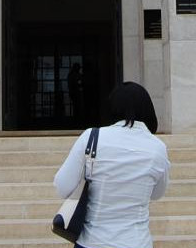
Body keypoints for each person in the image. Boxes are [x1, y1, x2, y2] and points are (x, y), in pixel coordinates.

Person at [54, 81, 171, 248]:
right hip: (137, 242)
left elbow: (61, 186)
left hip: (93, 241)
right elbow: (157, 194)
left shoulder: (92, 137)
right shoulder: (158, 148)